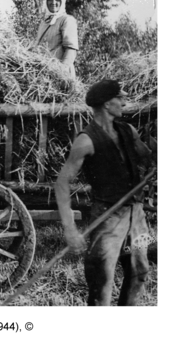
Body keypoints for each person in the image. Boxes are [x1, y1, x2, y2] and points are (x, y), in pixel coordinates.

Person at [54, 79, 155, 306]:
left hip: (136, 217)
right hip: (108, 219)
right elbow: (62, 183)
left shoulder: (129, 131)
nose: (124, 102)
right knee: (102, 280)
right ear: (107, 104)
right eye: (120, 98)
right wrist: (69, 228)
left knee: (140, 272)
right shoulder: (86, 141)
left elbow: (147, 157)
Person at [34, 0, 79, 80]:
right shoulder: (44, 23)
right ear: (46, 1)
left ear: (62, 1)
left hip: (60, 75)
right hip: (44, 74)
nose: (53, 2)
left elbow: (71, 50)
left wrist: (61, 72)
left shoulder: (66, 20)